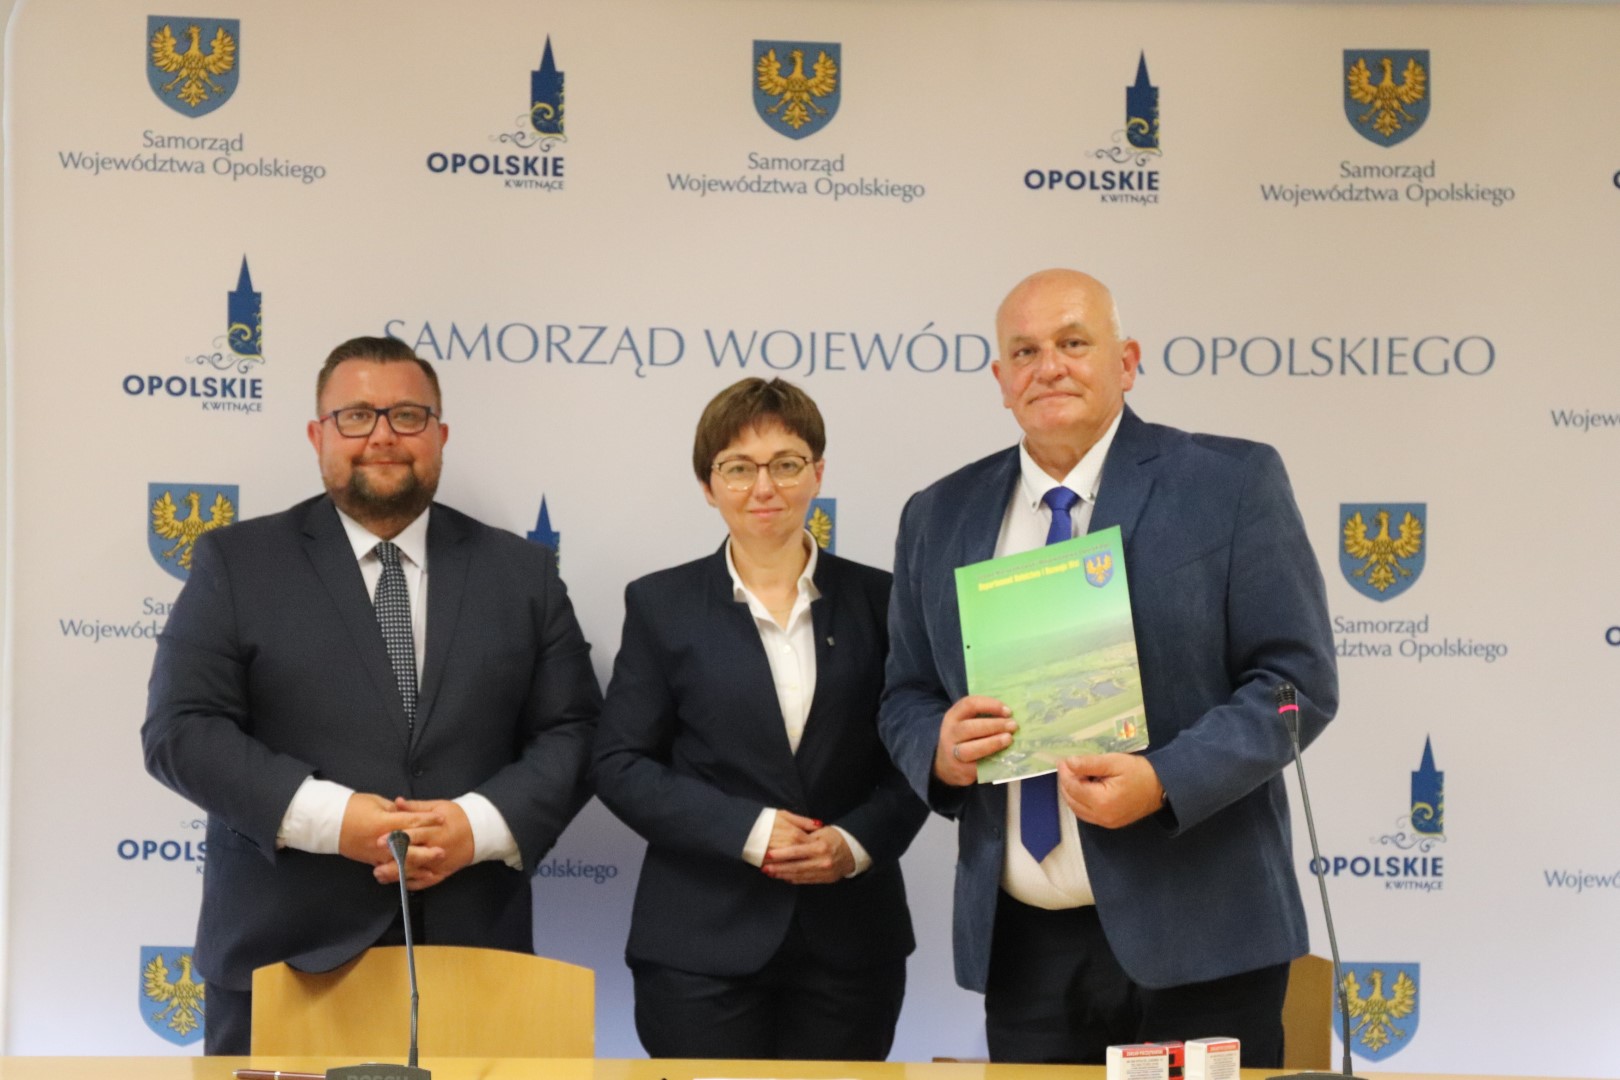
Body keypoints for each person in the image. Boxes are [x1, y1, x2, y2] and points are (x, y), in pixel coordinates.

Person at [878, 270, 1337, 1065]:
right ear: (1001, 380)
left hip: (1204, 932)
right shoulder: (938, 514)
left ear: (1126, 362)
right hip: (1025, 950)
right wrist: (939, 749)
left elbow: (1295, 684)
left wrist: (1163, 781)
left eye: (1072, 343)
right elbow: (906, 694)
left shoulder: (1231, 483)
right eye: (1025, 351)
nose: (1048, 367)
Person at [142, 335, 602, 1054]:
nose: (383, 435)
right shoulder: (237, 563)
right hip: (282, 963)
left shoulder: (523, 574)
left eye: (408, 416)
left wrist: (475, 827)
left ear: (440, 435)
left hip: (475, 960)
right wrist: (335, 821)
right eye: (356, 416)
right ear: (317, 435)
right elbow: (181, 731)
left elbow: (575, 731)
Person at [592, 377, 929, 1061]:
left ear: (818, 474)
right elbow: (619, 764)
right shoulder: (662, 605)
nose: (764, 487)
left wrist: (853, 844)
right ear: (708, 485)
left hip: (850, 947)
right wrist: (747, 832)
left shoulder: (886, 600)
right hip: (699, 948)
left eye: (786, 463)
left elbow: (918, 754)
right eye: (739, 468)